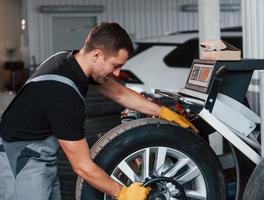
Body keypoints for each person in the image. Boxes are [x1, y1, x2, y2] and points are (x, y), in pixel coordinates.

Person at [0, 22, 197, 200]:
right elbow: (82, 166)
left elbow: (119, 93)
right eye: (116, 66)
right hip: (19, 159)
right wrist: (124, 193)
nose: (118, 73)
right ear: (96, 55)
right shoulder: (63, 94)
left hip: (39, 157)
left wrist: (162, 112)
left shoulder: (69, 60)